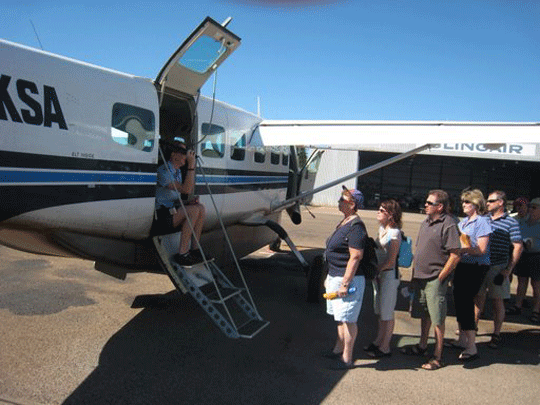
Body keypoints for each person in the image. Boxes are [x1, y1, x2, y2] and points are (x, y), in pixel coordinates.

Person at [401, 190, 460, 370]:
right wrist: (413, 276)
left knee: (437, 319)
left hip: (434, 279)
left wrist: (441, 276)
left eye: (429, 203)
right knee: (424, 314)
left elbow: (455, 254)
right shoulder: (425, 223)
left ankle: (437, 356)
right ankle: (422, 345)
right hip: (420, 277)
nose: (425, 205)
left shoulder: (448, 225)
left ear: (439, 206)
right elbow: (420, 251)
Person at [323, 186, 368, 369]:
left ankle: (347, 358)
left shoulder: (356, 226)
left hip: (348, 280)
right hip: (335, 276)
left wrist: (345, 283)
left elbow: (356, 256)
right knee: (340, 317)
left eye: (342, 199)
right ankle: (337, 350)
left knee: (349, 320)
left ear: (352, 204)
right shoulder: (346, 222)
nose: (338, 202)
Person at [474, 191, 523, 348]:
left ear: (500, 202)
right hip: (480, 266)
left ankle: (496, 333)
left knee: (497, 302)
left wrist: (508, 269)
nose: (487, 203)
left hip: (498, 267)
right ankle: (471, 328)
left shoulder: (511, 222)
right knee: (477, 299)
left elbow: (517, 246)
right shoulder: (483, 219)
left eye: (491, 201)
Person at [452, 189, 491, 361]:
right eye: (463, 202)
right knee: (460, 302)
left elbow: (482, 249)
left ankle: (471, 346)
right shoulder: (463, 222)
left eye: (467, 202)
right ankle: (462, 339)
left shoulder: (482, 222)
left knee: (466, 303)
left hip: (475, 266)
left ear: (476, 204)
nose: (464, 205)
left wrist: (462, 249)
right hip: (463, 265)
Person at [155, 142, 207, 266]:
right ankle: (183, 253)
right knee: (193, 210)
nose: (186, 156)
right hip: (161, 216)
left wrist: (187, 202)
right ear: (173, 154)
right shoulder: (163, 171)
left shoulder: (177, 172)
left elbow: (177, 196)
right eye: (183, 153)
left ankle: (195, 249)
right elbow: (186, 189)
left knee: (200, 208)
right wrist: (191, 166)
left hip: (171, 212)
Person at [364, 199, 402, 358]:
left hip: (388, 275)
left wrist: (377, 270)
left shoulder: (395, 233)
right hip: (379, 275)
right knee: (379, 310)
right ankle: (378, 341)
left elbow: (391, 261)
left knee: (387, 312)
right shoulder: (381, 229)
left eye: (381, 210)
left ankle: (385, 346)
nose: (378, 212)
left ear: (390, 214)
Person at [507, 197, 540, 323]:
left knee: (536, 285)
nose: (531, 209)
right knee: (521, 281)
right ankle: (518, 305)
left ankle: (536, 310)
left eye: (534, 207)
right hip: (524, 255)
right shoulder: (522, 222)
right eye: (530, 207)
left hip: (537, 256)